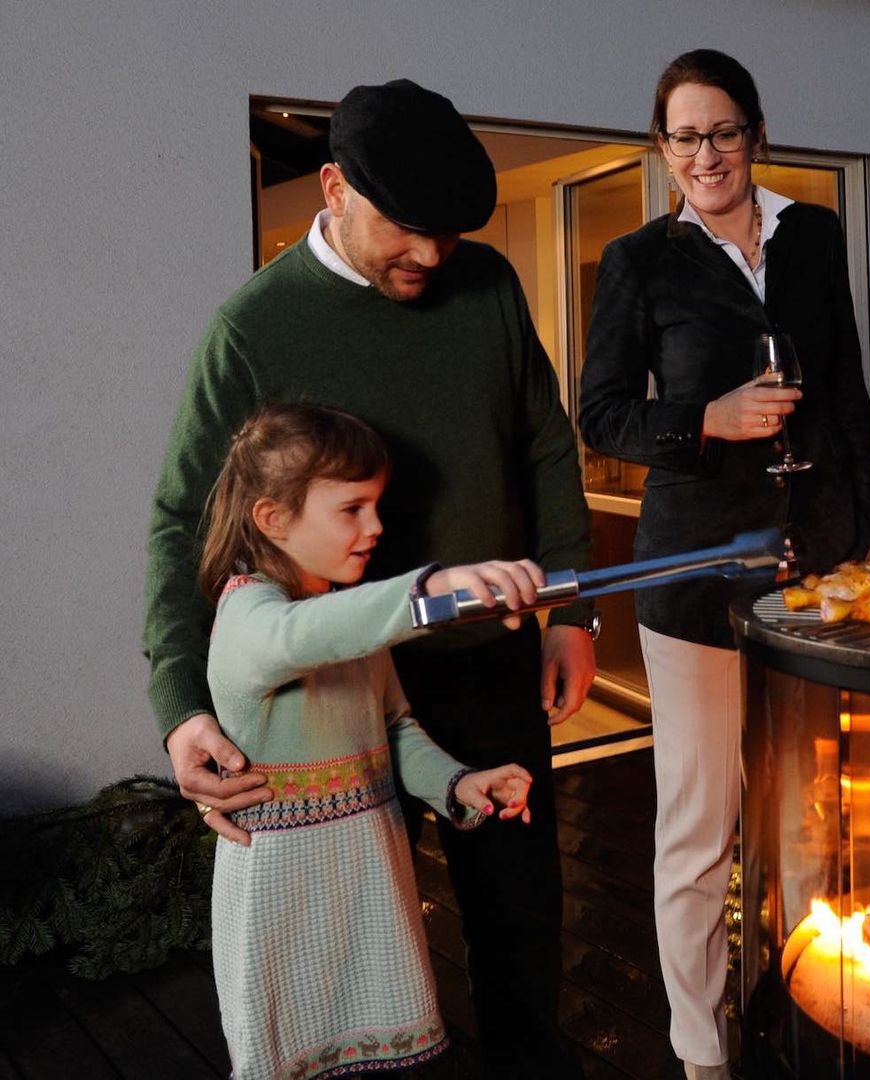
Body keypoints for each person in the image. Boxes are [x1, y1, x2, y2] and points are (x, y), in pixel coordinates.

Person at [141, 79, 592, 1077]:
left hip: (487, 666)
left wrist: (568, 606)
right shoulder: (251, 329)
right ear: (335, 188)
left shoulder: (487, 286)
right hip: (333, 699)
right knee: (355, 959)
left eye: (447, 234)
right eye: (408, 229)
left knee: (522, 936)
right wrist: (180, 706)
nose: (430, 256)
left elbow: (544, 442)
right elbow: (183, 520)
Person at [577, 49, 870, 1080]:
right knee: (701, 821)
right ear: (662, 150)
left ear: (756, 133)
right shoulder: (639, 261)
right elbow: (601, 412)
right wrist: (703, 419)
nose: (704, 154)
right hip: (696, 571)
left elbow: (843, 393)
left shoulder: (816, 234)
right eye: (683, 136)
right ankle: (702, 1050)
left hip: (813, 568)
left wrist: (864, 551)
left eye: (722, 131)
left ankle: (799, 1000)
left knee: (807, 809)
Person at [200, 402, 540, 1078]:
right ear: (273, 518)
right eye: (351, 509)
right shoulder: (249, 617)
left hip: (369, 892)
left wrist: (456, 783)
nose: (376, 527)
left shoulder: (351, 619)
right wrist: (432, 590)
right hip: (283, 911)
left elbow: (393, 730)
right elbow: (301, 636)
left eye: (377, 506)